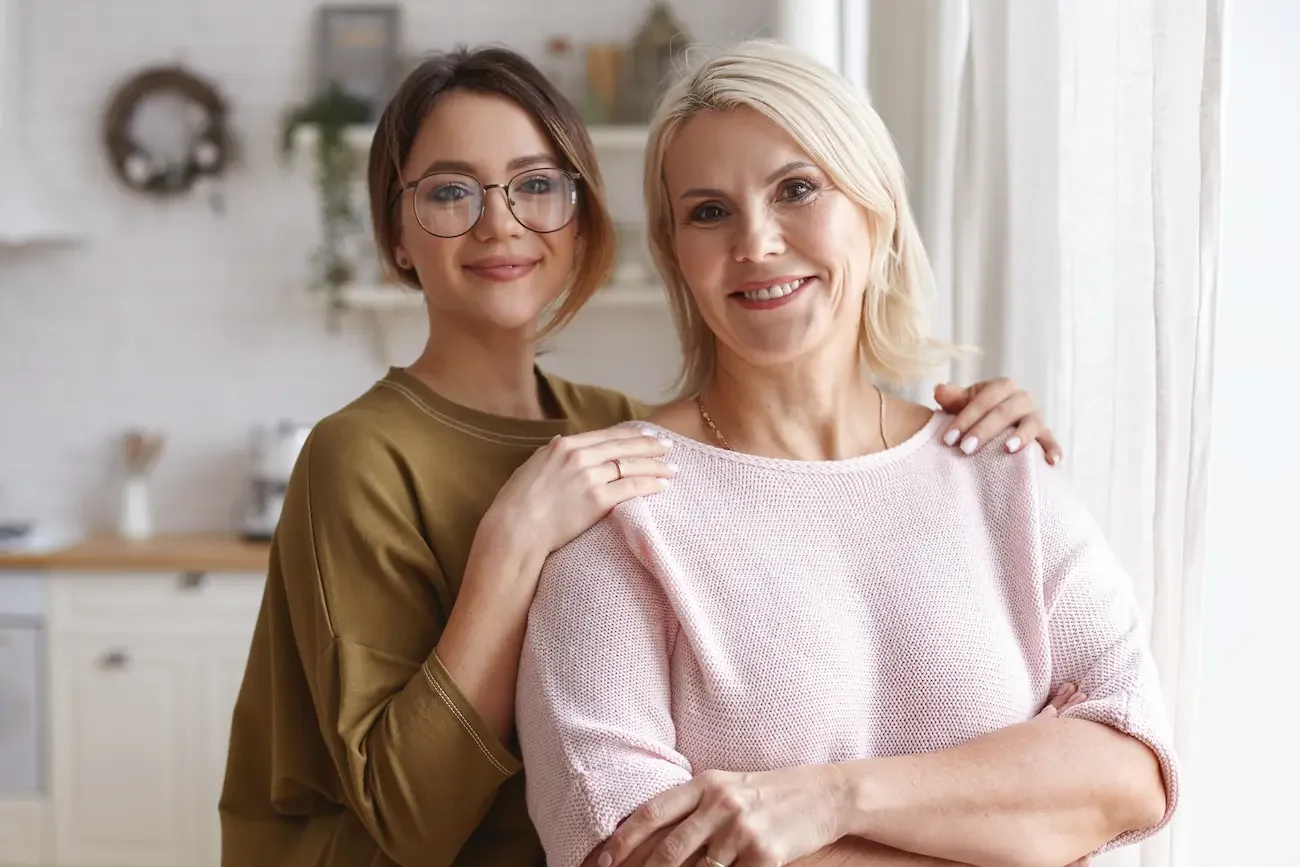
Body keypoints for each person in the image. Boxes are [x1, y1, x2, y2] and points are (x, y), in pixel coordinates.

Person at [218, 46, 1065, 867]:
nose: (500, 222)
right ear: (397, 236)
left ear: (584, 219)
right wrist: (510, 546)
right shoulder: (358, 455)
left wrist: (981, 436)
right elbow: (408, 823)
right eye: (449, 193)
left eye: (537, 186)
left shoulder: (616, 432)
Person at [515, 39, 1178, 867]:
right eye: (709, 211)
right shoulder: (621, 507)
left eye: (797, 189)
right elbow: (630, 850)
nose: (755, 242)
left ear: (876, 211)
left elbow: (1133, 772)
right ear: (676, 254)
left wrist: (828, 798)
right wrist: (1005, 831)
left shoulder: (1000, 468)